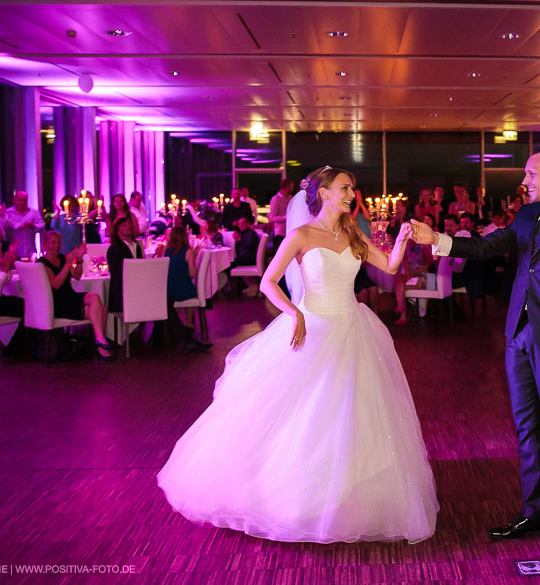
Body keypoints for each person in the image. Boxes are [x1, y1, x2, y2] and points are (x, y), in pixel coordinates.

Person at [158, 165, 438, 543]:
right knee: (305, 416)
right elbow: (268, 282)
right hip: (316, 326)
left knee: (354, 416)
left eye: (352, 188)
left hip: (353, 328)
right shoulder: (302, 235)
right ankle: (294, 500)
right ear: (323, 193)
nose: (351, 194)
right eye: (344, 188)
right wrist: (294, 313)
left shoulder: (353, 233)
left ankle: (346, 498)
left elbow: (388, 265)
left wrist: (405, 238)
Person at [409, 147, 540, 539]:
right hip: (518, 333)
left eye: (532, 173)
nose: (525, 180)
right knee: (525, 425)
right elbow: (488, 246)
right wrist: (439, 239)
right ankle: (536, 514)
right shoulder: (527, 215)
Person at [37, 231, 115, 359]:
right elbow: (55, 284)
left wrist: (78, 260)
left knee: (95, 297)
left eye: (58, 243)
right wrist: (68, 264)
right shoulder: (42, 263)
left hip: (70, 296)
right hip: (57, 303)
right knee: (102, 309)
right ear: (45, 244)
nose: (56, 246)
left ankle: (100, 341)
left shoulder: (62, 258)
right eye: (53, 242)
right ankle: (100, 345)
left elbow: (77, 276)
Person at [152, 225, 211, 352]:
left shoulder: (165, 251)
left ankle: (178, 326)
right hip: (182, 290)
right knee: (189, 289)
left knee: (179, 289)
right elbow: (192, 274)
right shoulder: (187, 251)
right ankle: (189, 322)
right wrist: (193, 257)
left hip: (168, 290)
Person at [106, 216, 144, 315]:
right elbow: (118, 274)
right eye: (124, 225)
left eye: (129, 224)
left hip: (137, 288)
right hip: (123, 293)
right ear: (117, 231)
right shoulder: (114, 249)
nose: (128, 227)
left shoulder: (137, 247)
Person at [1, 191, 44, 257]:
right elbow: (4, 226)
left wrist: (33, 226)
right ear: (14, 200)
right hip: (13, 253)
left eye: (24, 200)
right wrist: (20, 226)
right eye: (20, 200)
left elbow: (42, 226)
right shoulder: (7, 213)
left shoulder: (33, 212)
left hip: (31, 252)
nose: (22, 203)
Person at [269, 179, 294, 248]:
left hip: (290, 232)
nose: (292, 188)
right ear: (287, 187)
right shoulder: (275, 199)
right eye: (291, 186)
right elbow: (272, 218)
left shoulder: (290, 198)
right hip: (280, 234)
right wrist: (286, 217)